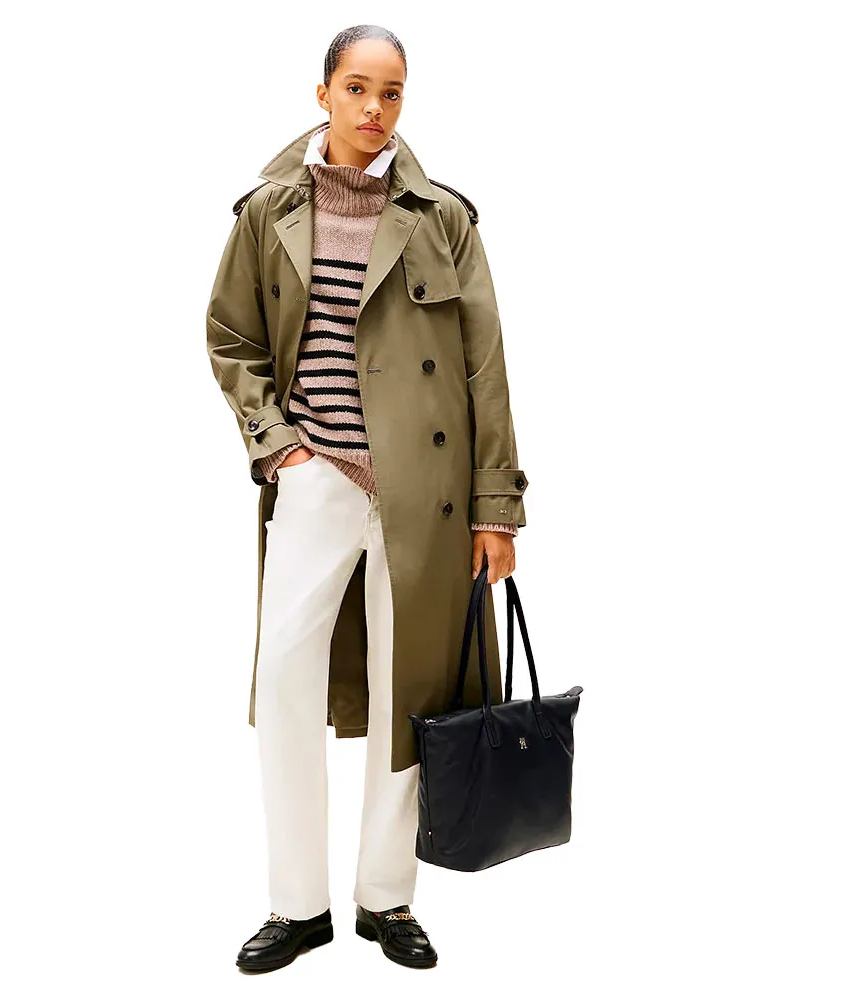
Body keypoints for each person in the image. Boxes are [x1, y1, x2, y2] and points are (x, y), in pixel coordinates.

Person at [206, 24, 529, 973]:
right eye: (356, 88)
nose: (374, 108)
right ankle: (296, 905)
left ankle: (387, 900)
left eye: (391, 92)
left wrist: (496, 507)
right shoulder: (269, 209)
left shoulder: (442, 217)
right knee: (285, 686)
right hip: (314, 481)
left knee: (410, 694)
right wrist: (280, 447)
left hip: (425, 495)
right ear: (324, 94)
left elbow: (485, 367)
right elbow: (231, 337)